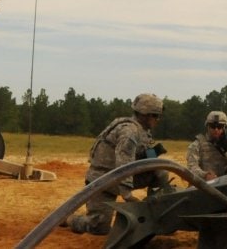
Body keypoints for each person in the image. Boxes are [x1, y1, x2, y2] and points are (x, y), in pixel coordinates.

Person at [65, 93, 166, 235]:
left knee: (160, 173)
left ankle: (157, 213)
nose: (158, 120)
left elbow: (138, 156)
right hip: (103, 181)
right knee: (98, 227)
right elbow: (124, 162)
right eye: (155, 116)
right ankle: (70, 219)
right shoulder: (129, 131)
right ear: (145, 115)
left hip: (116, 178)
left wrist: (153, 154)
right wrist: (127, 194)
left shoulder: (142, 131)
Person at [186, 110, 227, 180]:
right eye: (213, 126)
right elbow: (191, 168)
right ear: (208, 127)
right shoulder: (197, 145)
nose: (216, 129)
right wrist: (205, 175)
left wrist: (226, 152)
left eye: (219, 126)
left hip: (225, 183)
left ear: (225, 128)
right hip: (203, 184)